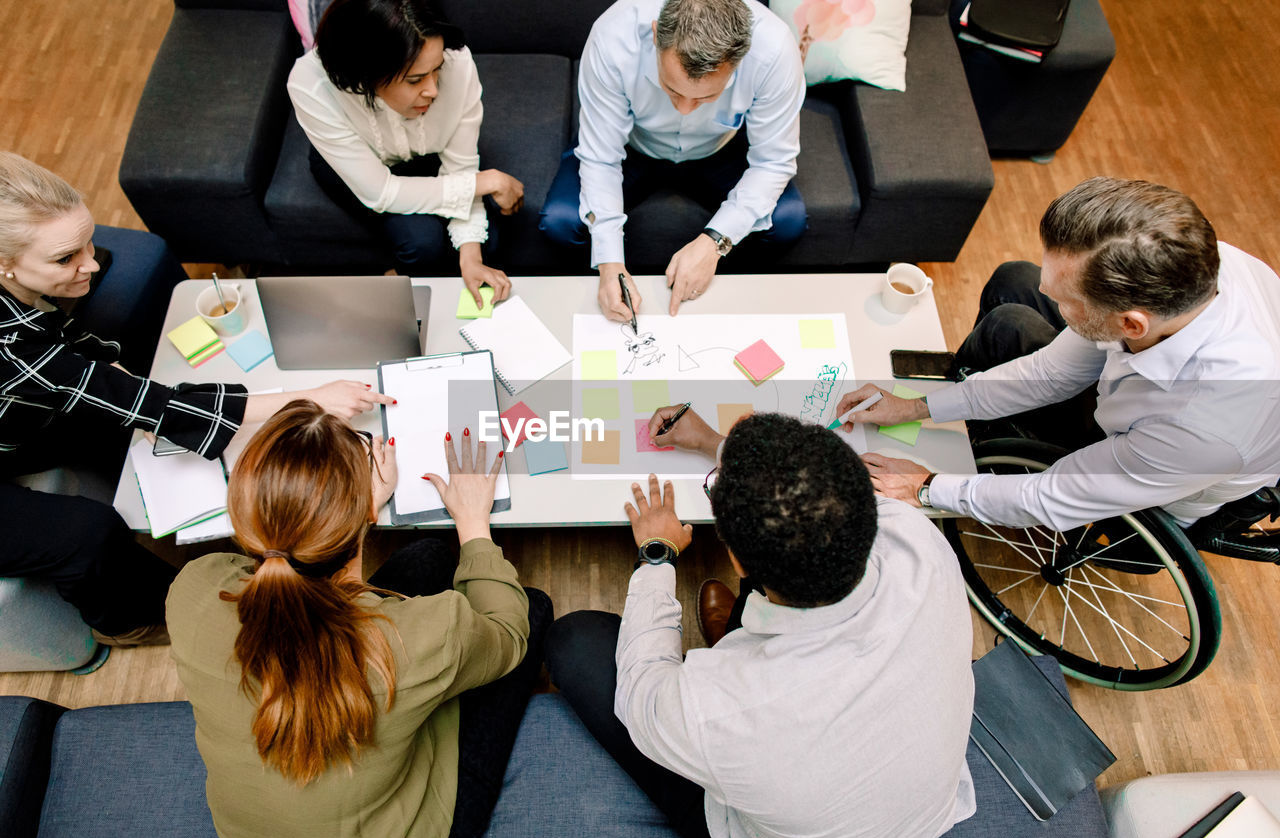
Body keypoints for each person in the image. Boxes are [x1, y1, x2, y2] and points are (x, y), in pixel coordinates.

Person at [0, 151, 387, 645]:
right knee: (87, 534)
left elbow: (72, 352)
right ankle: (130, 623)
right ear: (5, 264)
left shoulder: (23, 297)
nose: (92, 264)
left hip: (19, 410)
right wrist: (311, 397)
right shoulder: (10, 350)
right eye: (65, 258)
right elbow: (153, 406)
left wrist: (117, 381)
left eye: (88, 242)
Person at [546, 412, 975, 838]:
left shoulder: (719, 712)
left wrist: (657, 555)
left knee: (575, 640)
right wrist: (716, 443)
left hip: (767, 827)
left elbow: (644, 697)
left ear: (736, 563)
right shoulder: (922, 544)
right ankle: (735, 632)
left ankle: (732, 637)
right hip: (911, 809)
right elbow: (810, 493)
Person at [168, 401, 550, 838]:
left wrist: (350, 507)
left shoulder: (194, 588)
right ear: (363, 512)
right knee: (533, 609)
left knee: (426, 557)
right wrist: (472, 524)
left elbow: (287, 566)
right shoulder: (413, 640)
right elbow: (506, 632)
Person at [838, 176, 1280, 532]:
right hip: (1138, 394)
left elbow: (1051, 496)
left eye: (1065, 297)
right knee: (1017, 280)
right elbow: (1052, 373)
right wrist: (917, 406)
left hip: (1165, 472)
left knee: (1010, 324)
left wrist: (927, 486)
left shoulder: (1205, 429)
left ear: (1131, 324)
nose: (1047, 292)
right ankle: (973, 421)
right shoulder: (1194, 263)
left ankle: (978, 443)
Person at [539, 0, 807, 320]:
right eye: (671, 89)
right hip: (634, 148)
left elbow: (773, 162)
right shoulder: (613, 36)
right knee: (560, 220)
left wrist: (714, 243)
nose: (684, 110)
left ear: (740, 58)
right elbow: (601, 158)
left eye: (706, 98)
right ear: (655, 35)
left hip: (721, 149)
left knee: (788, 220)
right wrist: (610, 264)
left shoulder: (774, 48)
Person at [289, 0, 524, 308]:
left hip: (429, 156)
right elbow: (381, 191)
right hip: (359, 167)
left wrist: (471, 255)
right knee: (421, 242)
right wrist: (484, 182)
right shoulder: (309, 84)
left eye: (436, 71)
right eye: (415, 80)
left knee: (486, 242)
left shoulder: (456, 62)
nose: (434, 91)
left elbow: (461, 166)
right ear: (367, 73)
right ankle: (395, 275)